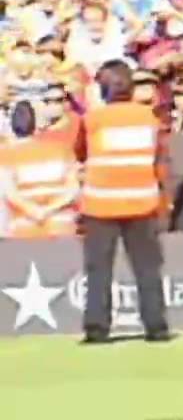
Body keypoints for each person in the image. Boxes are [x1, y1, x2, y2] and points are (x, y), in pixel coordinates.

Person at [76, 59, 171, 344]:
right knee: (147, 267)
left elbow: (80, 151)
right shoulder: (150, 119)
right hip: (141, 202)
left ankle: (97, 328)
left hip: (100, 205)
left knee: (99, 269)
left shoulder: (92, 120)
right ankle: (156, 326)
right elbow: (160, 159)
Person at [0, 101, 79, 239]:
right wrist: (49, 209)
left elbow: (10, 193)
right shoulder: (62, 149)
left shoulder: (6, 155)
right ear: (35, 125)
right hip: (61, 224)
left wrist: (35, 211)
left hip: (24, 226)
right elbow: (73, 189)